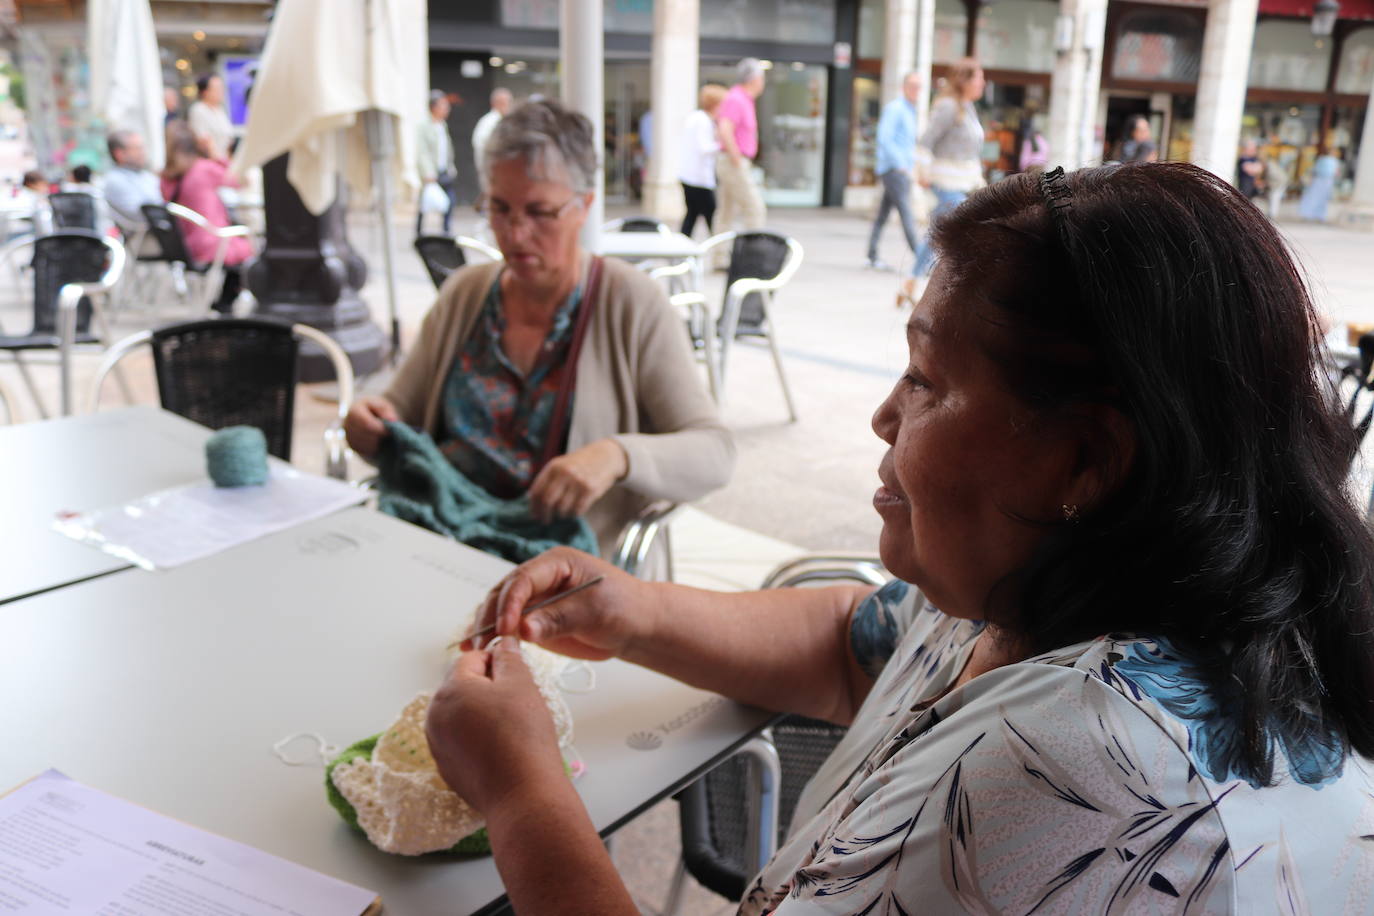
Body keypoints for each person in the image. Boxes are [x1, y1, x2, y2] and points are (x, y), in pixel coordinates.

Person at [425, 161, 1374, 914]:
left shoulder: (1080, 771)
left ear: (1086, 460)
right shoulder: (1063, 584)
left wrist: (522, 793)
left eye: (925, 378)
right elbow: (858, 647)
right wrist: (632, 612)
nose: (885, 414)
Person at [344, 99, 734, 558]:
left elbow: (715, 452)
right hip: (436, 542)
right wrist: (368, 420)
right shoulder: (466, 293)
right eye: (500, 208)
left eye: (540, 212)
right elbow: (397, 409)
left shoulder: (632, 303)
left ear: (583, 206)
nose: (514, 233)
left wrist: (616, 456)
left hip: (561, 568)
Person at [905, 58, 986, 298]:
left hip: (964, 181)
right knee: (957, 224)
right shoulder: (948, 107)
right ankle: (951, 283)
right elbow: (925, 142)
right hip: (944, 180)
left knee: (939, 232)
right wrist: (922, 173)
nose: (983, 83)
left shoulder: (968, 107)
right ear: (966, 80)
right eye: (979, 78)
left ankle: (912, 281)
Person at [161, 121, 252, 314]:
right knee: (252, 249)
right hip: (213, 243)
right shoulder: (203, 169)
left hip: (184, 245)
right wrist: (216, 154)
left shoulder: (166, 177)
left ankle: (223, 303)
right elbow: (241, 180)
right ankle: (225, 303)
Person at [864, 72, 923, 273]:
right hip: (895, 171)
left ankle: (871, 255)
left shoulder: (910, 110)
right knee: (907, 213)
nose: (917, 91)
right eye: (913, 86)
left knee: (882, 214)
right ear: (904, 87)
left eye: (919, 87)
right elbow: (884, 138)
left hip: (899, 170)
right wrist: (900, 165)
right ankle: (921, 258)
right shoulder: (896, 109)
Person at [714, 58, 767, 266]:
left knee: (726, 212)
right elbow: (724, 129)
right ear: (754, 79)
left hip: (733, 159)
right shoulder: (736, 98)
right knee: (754, 208)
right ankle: (755, 258)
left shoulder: (742, 98)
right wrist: (735, 156)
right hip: (733, 160)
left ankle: (720, 258)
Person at [677, 84, 726, 238]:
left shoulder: (695, 117)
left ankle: (682, 247)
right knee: (712, 217)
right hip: (699, 179)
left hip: (688, 176)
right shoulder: (704, 121)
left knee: (692, 214)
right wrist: (723, 144)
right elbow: (704, 148)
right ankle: (719, 248)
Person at [416, 90, 458, 236]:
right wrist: (427, 172)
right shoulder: (424, 126)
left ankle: (446, 230)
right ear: (434, 107)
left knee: (450, 201)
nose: (447, 109)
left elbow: (447, 149)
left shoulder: (442, 125)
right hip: (431, 172)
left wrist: (451, 167)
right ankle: (419, 231)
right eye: (443, 106)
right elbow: (422, 151)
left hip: (443, 170)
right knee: (425, 203)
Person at [472, 88, 513, 191]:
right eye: (508, 102)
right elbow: (481, 145)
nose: (509, 105)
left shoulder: (504, 120)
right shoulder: (489, 122)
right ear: (499, 103)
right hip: (492, 171)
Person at [187, 73, 233, 162]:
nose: (221, 92)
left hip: (224, 162)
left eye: (222, 88)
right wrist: (221, 164)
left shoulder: (220, 110)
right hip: (212, 164)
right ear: (205, 92)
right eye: (217, 89)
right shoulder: (198, 110)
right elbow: (204, 142)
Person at [1299, 149, 1341, 222]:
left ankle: (1310, 214)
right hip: (1323, 180)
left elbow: (1315, 170)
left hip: (1321, 180)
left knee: (1316, 197)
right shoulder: (1332, 161)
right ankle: (1314, 214)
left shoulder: (1324, 160)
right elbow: (1336, 173)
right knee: (1320, 198)